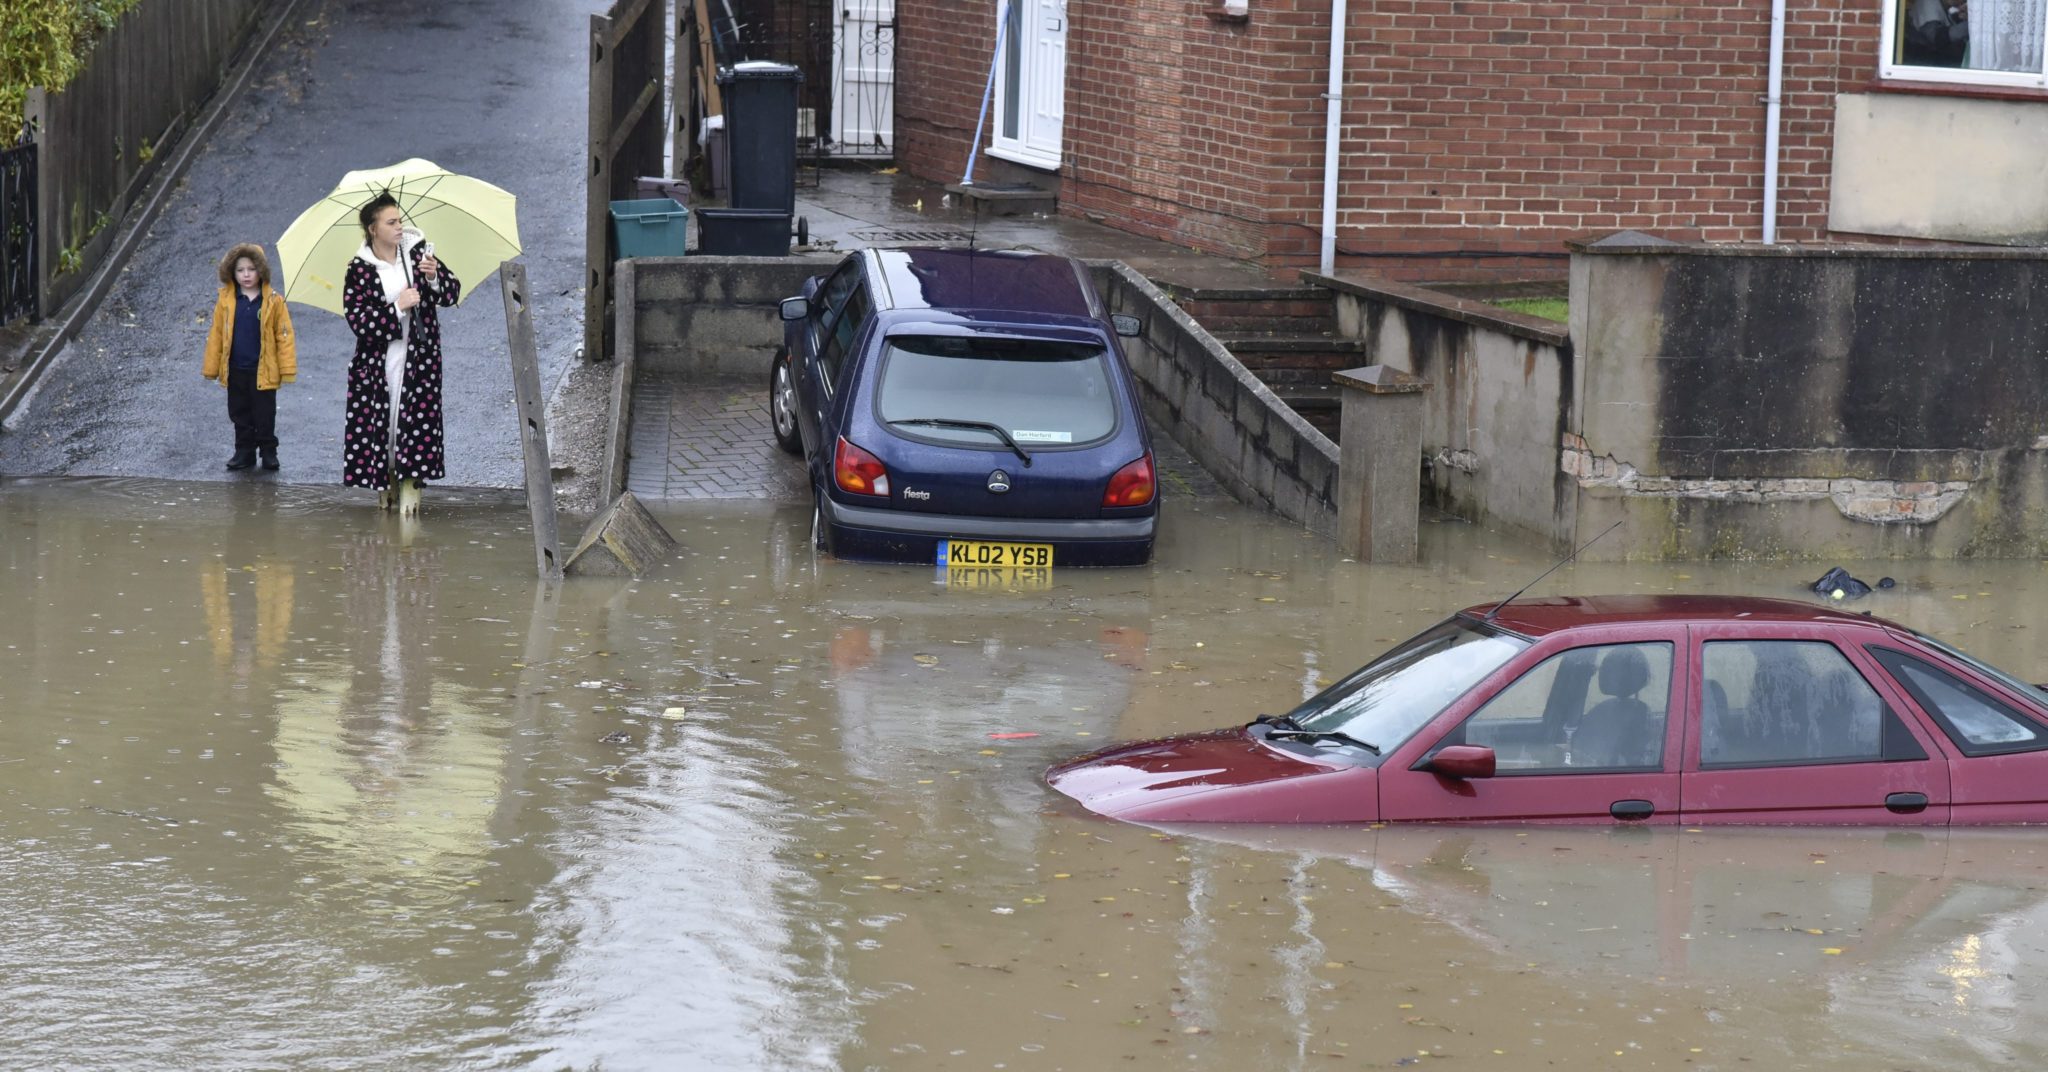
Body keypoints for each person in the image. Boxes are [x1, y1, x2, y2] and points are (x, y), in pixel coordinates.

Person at [341, 191, 460, 515]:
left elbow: (452, 292)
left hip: (419, 360)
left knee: (414, 429)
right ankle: (387, 501)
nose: (398, 227)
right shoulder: (360, 269)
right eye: (391, 222)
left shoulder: (418, 253)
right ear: (372, 228)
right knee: (384, 428)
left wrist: (434, 276)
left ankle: (411, 512)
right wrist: (397, 306)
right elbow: (359, 321)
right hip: (377, 362)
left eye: (400, 220)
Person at [202, 243, 297, 471]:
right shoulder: (226, 300)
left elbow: (284, 335)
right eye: (240, 270)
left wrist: (287, 368)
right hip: (236, 368)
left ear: (261, 270)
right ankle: (244, 451)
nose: (246, 275)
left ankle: (268, 451)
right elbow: (216, 334)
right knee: (239, 412)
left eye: (251, 269)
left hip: (263, 368)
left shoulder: (273, 301)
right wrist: (212, 367)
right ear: (231, 273)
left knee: (264, 413)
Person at [1903, 0, 1969, 66]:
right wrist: (1971, 25)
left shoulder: (1943, 6)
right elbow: (1937, 38)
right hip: (1923, 64)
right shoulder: (1928, 3)